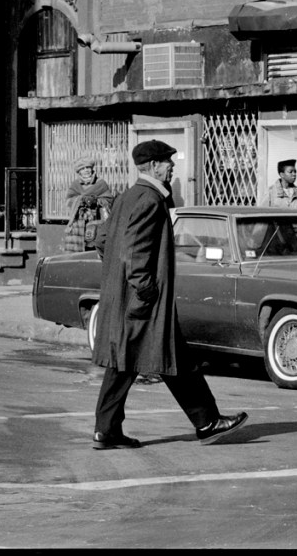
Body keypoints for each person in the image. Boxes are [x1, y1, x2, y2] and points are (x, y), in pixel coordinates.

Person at [91, 139, 248, 450]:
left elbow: (102, 240)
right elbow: (136, 254)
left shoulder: (127, 197)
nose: (171, 166)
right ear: (152, 166)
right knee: (171, 358)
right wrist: (146, 290)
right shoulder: (150, 200)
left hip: (127, 299)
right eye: (166, 161)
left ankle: (106, 430)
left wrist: (121, 280)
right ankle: (207, 422)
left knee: (125, 363)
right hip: (143, 301)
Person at [63, 157, 114, 252]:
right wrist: (80, 200)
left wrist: (96, 201)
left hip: (96, 222)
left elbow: (109, 200)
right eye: (82, 169)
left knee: (94, 250)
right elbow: (68, 201)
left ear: (92, 169)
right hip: (78, 223)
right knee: (76, 254)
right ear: (79, 172)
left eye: (88, 167)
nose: (86, 170)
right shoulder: (75, 185)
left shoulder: (101, 184)